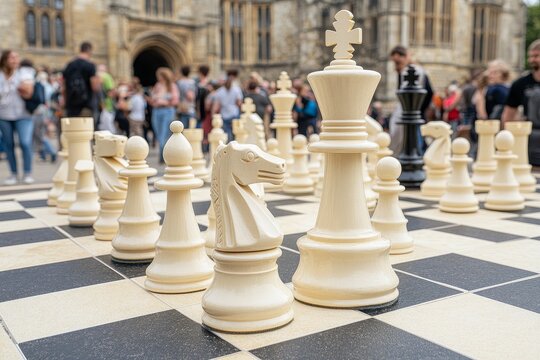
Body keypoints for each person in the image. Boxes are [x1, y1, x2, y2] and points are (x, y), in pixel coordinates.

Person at [389, 45, 434, 153]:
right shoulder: (405, 71)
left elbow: (428, 92)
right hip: (413, 112)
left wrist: (420, 109)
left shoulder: (412, 71)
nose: (396, 66)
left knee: (416, 138)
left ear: (405, 58)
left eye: (398, 63)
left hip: (413, 112)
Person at [502, 39, 540, 165]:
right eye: (531, 56)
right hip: (529, 139)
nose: (532, 60)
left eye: (536, 56)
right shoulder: (521, 84)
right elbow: (508, 114)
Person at [0, 50, 35, 184]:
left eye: (16, 57)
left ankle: (27, 172)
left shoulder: (24, 72)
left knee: (25, 143)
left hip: (23, 114)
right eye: (11, 58)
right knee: (9, 144)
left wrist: (22, 87)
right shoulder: (1, 75)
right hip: (3, 114)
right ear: (5, 60)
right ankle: (13, 173)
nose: (15, 60)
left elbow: (29, 92)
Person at [63, 42, 100, 117]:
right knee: (86, 128)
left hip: (71, 106)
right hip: (85, 106)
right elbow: (95, 87)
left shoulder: (69, 65)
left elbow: (63, 87)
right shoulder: (90, 66)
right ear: (89, 51)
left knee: (72, 128)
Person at [150, 67, 178, 163]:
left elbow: (175, 100)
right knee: (158, 133)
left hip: (167, 110)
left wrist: (164, 102)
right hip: (157, 111)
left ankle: (164, 155)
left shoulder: (172, 86)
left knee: (165, 133)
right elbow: (152, 98)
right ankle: (163, 153)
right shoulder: (157, 86)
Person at [212, 73, 243, 141]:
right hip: (234, 114)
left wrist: (213, 115)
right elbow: (239, 103)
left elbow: (216, 106)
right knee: (235, 133)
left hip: (225, 115)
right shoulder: (236, 90)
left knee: (227, 133)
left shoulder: (219, 92)